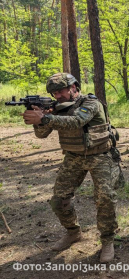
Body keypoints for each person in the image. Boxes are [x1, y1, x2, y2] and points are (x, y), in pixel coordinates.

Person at [22, 73, 122, 263]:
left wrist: (44, 118)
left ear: (74, 87)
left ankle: (107, 240)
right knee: (59, 199)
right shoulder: (56, 108)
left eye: (60, 91)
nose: (57, 96)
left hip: (100, 156)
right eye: (53, 93)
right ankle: (73, 232)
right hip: (73, 156)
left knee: (105, 198)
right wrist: (38, 116)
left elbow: (77, 121)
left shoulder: (91, 103)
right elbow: (42, 135)